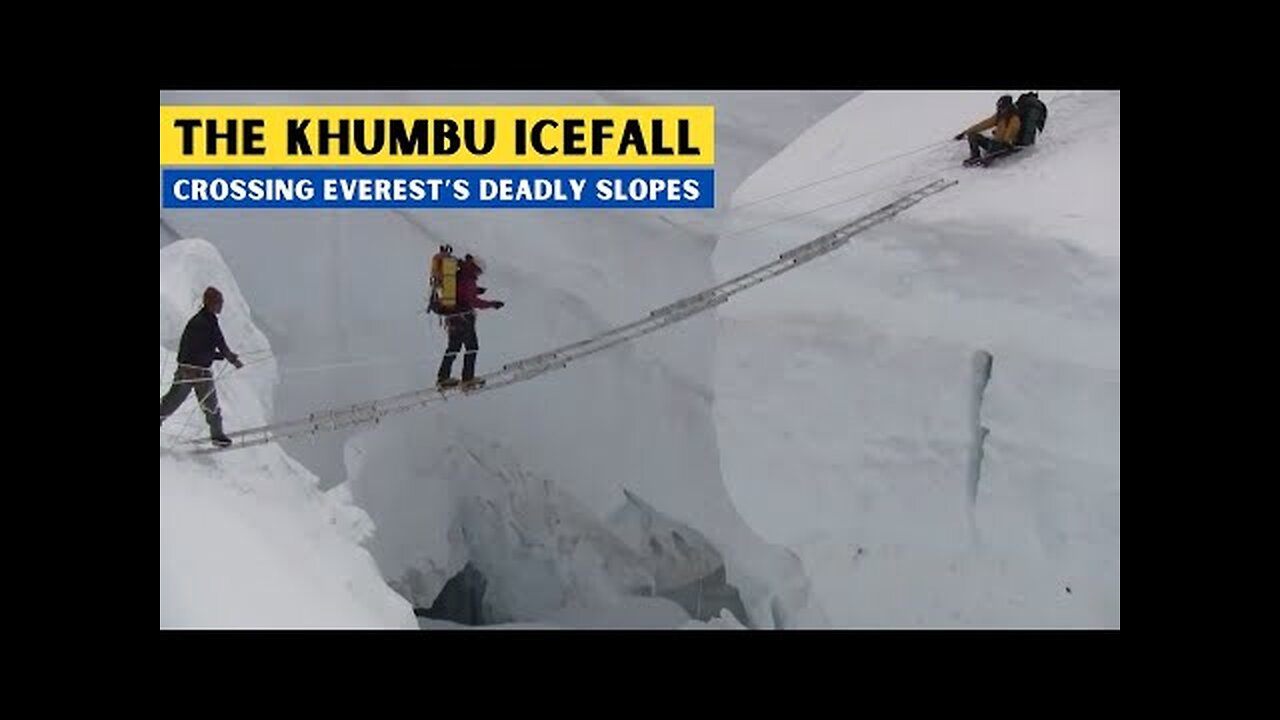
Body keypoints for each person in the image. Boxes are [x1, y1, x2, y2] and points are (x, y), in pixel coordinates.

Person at [159, 286, 243, 447]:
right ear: (211, 303)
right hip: (195, 372)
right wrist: (231, 359)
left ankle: (218, 436)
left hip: (191, 371)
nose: (221, 306)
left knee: (174, 402)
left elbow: (203, 349)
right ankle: (217, 436)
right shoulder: (206, 323)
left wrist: (224, 356)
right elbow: (218, 344)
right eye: (219, 302)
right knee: (207, 406)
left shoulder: (201, 320)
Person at [436, 254, 505, 390]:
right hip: (464, 318)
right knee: (472, 347)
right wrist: (492, 304)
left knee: (453, 348)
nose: (479, 275)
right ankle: (468, 379)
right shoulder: (468, 279)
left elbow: (461, 292)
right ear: (475, 268)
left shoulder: (460, 274)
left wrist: (477, 290)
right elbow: (472, 301)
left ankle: (443, 378)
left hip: (453, 317)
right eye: (479, 272)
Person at [954, 95, 1023, 163]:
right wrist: (965, 132)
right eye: (999, 107)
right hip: (995, 143)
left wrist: (1006, 143)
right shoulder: (999, 116)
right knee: (972, 136)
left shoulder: (1014, 119)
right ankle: (975, 156)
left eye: (1002, 108)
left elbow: (1010, 134)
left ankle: (988, 159)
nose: (1000, 110)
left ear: (1008, 107)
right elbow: (983, 125)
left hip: (1005, 146)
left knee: (995, 148)